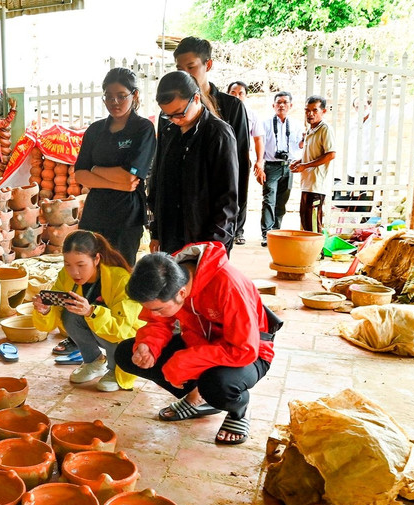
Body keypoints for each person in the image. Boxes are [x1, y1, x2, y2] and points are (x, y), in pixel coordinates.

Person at [114, 243, 276, 444]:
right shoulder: (166, 277)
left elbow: (244, 349)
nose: (154, 313)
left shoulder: (228, 284)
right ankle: (197, 398)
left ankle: (239, 410)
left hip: (250, 352)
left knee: (216, 385)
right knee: (125, 353)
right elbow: (157, 322)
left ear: (181, 293)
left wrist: (184, 363)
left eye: (159, 309)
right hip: (200, 346)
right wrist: (148, 346)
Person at [32, 230, 144, 392]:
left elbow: (122, 328)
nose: (74, 272)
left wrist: (91, 312)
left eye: (81, 265)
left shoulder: (121, 279)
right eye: (68, 264)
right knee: (69, 313)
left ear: (96, 259)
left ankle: (116, 368)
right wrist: (45, 310)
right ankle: (94, 361)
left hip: (125, 336)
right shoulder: (65, 276)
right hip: (99, 330)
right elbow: (51, 321)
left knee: (90, 314)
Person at [147, 71, 239, 255]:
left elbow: (227, 200)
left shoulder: (218, 134)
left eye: (179, 113)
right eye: (168, 115)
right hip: (170, 236)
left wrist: (210, 248)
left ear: (196, 98)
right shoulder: (169, 132)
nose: (174, 120)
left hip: (204, 239)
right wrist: (156, 231)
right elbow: (159, 183)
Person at [73, 67, 156, 267]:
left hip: (126, 216)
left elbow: (130, 176)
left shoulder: (143, 128)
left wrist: (95, 169)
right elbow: (80, 175)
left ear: (135, 95)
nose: (114, 102)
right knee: (90, 269)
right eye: (109, 97)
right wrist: (117, 183)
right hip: (95, 212)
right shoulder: (95, 130)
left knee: (120, 271)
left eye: (121, 96)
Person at [174, 37, 250, 245]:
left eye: (191, 67)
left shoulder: (232, 107)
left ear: (208, 65)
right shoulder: (171, 111)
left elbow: (241, 166)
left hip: (217, 220)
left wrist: (234, 222)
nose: (185, 75)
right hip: (179, 218)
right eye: (180, 69)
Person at [260, 91, 304, 245]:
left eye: (285, 102)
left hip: (289, 166)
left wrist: (304, 141)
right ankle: (267, 233)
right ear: (273, 105)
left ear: (291, 105)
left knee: (282, 201)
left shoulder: (297, 125)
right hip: (271, 165)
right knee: (269, 200)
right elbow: (260, 146)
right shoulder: (265, 124)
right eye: (279, 102)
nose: (282, 105)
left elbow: (299, 146)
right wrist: (259, 165)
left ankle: (276, 231)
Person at [290, 95, 336, 233]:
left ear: (323, 111)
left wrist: (305, 166)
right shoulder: (310, 130)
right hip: (308, 183)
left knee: (313, 225)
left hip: (317, 185)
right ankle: (311, 247)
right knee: (306, 221)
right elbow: (312, 154)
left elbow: (331, 154)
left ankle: (318, 248)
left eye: (315, 110)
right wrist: (299, 162)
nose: (310, 114)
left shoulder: (325, 129)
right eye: (307, 110)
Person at [227, 80, 265, 190]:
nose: (236, 96)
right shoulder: (220, 112)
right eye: (233, 93)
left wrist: (259, 161)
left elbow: (258, 139)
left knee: (241, 188)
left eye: (241, 93)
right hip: (224, 156)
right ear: (227, 94)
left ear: (246, 96)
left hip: (242, 157)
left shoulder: (251, 115)